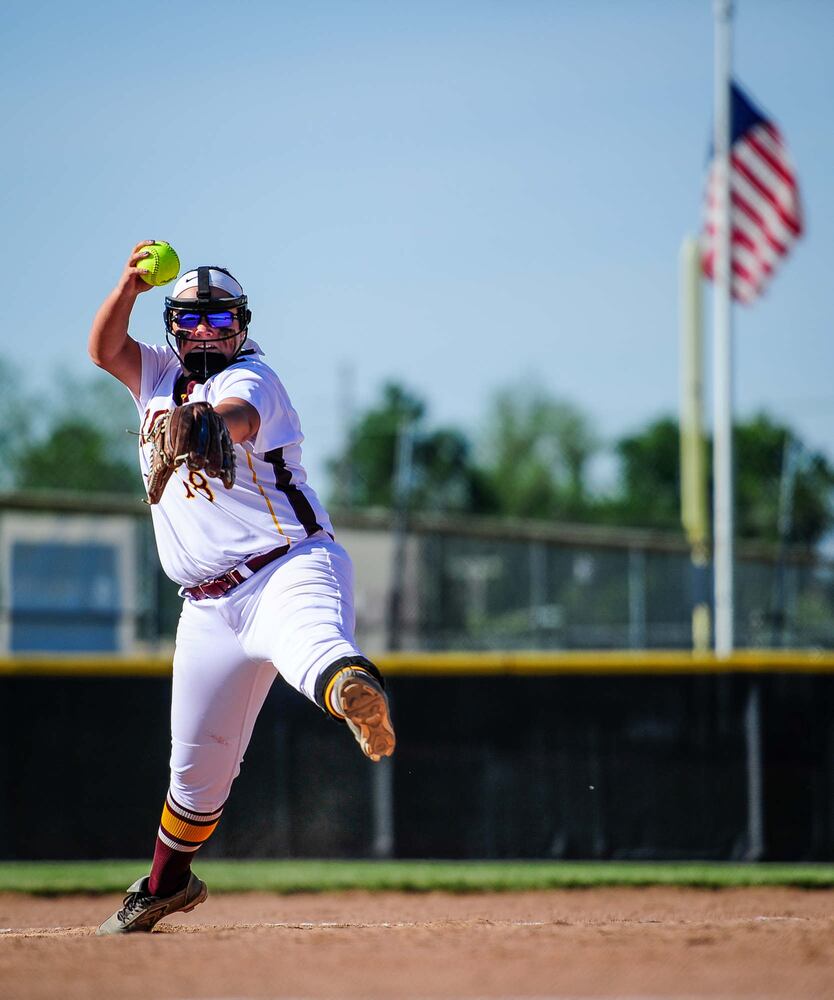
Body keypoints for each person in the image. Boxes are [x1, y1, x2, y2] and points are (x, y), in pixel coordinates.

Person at [89, 240, 396, 934]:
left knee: (314, 646)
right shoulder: (156, 375)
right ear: (171, 326)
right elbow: (104, 350)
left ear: (242, 325)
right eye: (190, 320)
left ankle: (352, 689)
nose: (204, 332)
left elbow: (241, 417)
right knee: (195, 773)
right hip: (204, 607)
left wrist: (209, 425)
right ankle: (166, 886)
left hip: (286, 567)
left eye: (218, 320)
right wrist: (128, 287)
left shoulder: (254, 378)